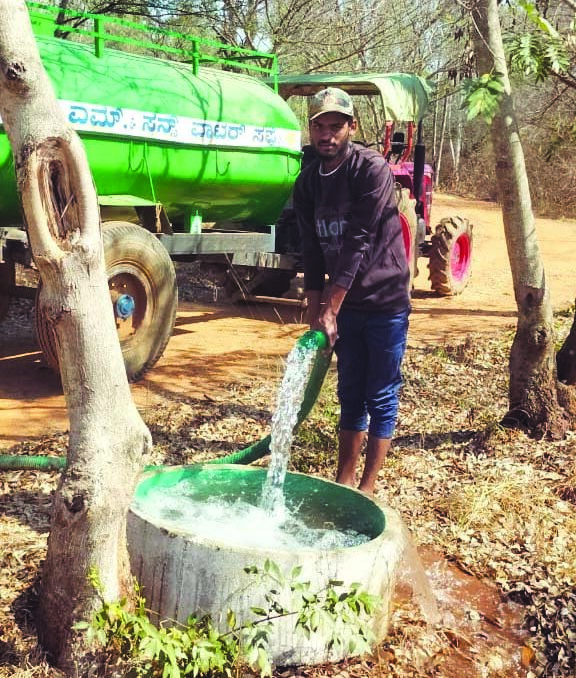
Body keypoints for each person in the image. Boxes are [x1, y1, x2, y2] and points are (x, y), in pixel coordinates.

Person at [293, 87, 411, 496]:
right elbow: (311, 248)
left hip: (384, 301)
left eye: (336, 127)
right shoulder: (307, 183)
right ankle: (344, 481)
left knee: (380, 394)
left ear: (351, 127)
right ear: (310, 130)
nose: (327, 135)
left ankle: (367, 488)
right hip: (346, 307)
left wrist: (331, 309)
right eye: (319, 127)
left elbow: (358, 240)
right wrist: (315, 311)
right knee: (349, 393)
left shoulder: (370, 170)